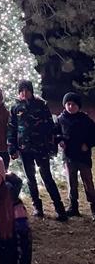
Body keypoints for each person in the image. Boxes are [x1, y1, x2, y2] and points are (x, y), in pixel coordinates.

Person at [8, 80, 67, 221]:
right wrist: (12, 147)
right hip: (24, 149)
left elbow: (50, 125)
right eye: (21, 91)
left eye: (27, 90)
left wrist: (52, 142)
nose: (24, 93)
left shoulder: (41, 105)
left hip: (41, 148)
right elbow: (11, 128)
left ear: (31, 91)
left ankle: (59, 208)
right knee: (30, 179)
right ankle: (37, 207)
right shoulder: (15, 107)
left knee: (47, 177)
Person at [55, 91, 95, 219]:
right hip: (69, 157)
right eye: (68, 104)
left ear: (78, 106)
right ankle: (73, 206)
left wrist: (88, 144)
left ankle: (93, 206)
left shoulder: (85, 120)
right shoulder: (61, 119)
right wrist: (60, 140)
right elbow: (56, 133)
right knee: (71, 182)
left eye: (74, 104)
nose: (71, 107)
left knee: (88, 182)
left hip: (83, 157)